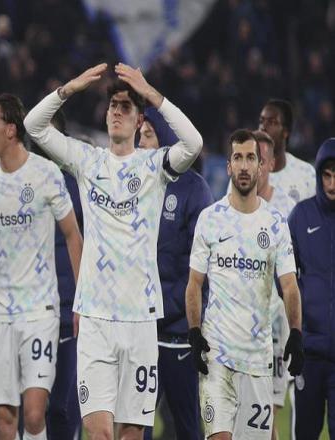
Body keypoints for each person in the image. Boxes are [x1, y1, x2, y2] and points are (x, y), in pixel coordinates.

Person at [24, 62, 203, 440]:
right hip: (95, 318)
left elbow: (193, 143)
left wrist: (152, 94)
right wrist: (70, 88)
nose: (117, 111)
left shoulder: (155, 166)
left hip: (141, 320)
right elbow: (33, 126)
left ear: (139, 121)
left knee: (131, 435)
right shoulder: (87, 161)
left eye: (126, 106)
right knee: (100, 433)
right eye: (112, 106)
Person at [0, 93, 83, 440]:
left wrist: (81, 300)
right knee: (3, 419)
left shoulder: (46, 175)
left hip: (39, 312)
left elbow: (73, 236)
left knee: (33, 414)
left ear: (11, 130)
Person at [186, 129, 304, 440]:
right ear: (228, 166)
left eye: (250, 158)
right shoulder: (210, 219)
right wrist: (195, 331)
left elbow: (290, 286)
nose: (243, 165)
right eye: (237, 158)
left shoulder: (275, 223)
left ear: (261, 166)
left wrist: (296, 333)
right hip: (217, 356)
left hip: (257, 360)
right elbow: (194, 283)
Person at [139, 107, 213, 440]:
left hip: (179, 334)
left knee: (187, 426)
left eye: (148, 134)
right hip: (141, 331)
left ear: (167, 139)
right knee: (134, 425)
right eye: (140, 134)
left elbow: (202, 268)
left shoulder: (194, 190)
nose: (141, 141)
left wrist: (171, 308)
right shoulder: (134, 184)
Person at [31, 110, 83, 440]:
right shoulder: (23, 183)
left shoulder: (78, 186)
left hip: (68, 311)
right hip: (32, 312)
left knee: (63, 408)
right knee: (32, 408)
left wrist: (83, 300)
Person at [288, 138, 335, 439]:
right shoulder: (301, 216)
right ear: (318, 175)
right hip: (310, 354)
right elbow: (284, 276)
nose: (332, 183)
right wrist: (300, 313)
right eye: (327, 175)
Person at [254, 130, 296, 440]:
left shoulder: (285, 211)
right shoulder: (227, 207)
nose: (255, 166)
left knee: (268, 416)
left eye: (261, 159)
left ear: (270, 164)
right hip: (238, 324)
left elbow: (291, 277)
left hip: (275, 322)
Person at [258, 99, 316, 203]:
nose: (263, 127)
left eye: (272, 122)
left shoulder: (306, 174)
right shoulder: (245, 174)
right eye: (261, 121)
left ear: (285, 132)